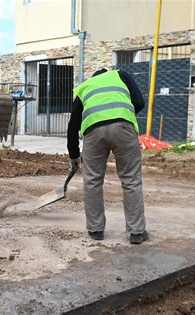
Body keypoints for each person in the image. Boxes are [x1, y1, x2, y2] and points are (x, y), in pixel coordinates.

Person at [67, 68, 148, 244]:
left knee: (92, 181)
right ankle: (136, 232)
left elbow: (73, 125)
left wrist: (74, 156)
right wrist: (121, 116)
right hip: (123, 129)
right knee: (131, 180)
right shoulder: (121, 75)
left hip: (93, 133)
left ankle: (96, 230)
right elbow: (140, 102)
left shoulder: (85, 87)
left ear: (93, 78)